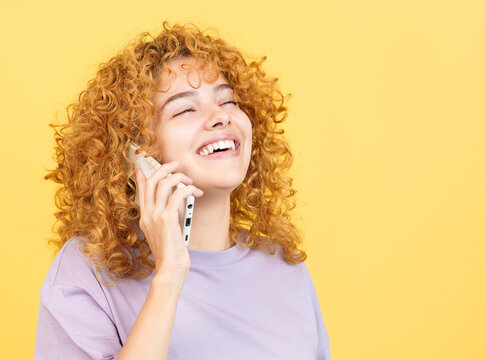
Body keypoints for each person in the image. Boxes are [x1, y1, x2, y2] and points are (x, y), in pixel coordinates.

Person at [35, 21, 331, 360]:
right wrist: (170, 274)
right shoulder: (89, 272)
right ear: (138, 152)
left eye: (229, 101)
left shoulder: (285, 268)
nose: (220, 117)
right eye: (185, 108)